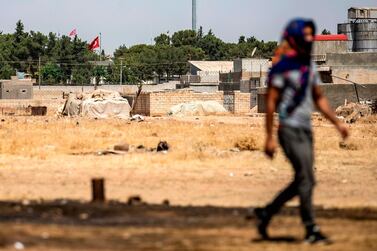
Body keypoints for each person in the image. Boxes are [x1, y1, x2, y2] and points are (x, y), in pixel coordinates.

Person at [254, 18, 349, 244]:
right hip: (288, 130)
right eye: (304, 35)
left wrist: (337, 123)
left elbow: (318, 98)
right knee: (307, 179)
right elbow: (270, 103)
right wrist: (268, 138)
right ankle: (311, 229)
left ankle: (267, 212)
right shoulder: (281, 68)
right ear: (295, 37)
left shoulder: (309, 67)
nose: (308, 39)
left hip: (306, 130)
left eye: (310, 35)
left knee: (303, 180)